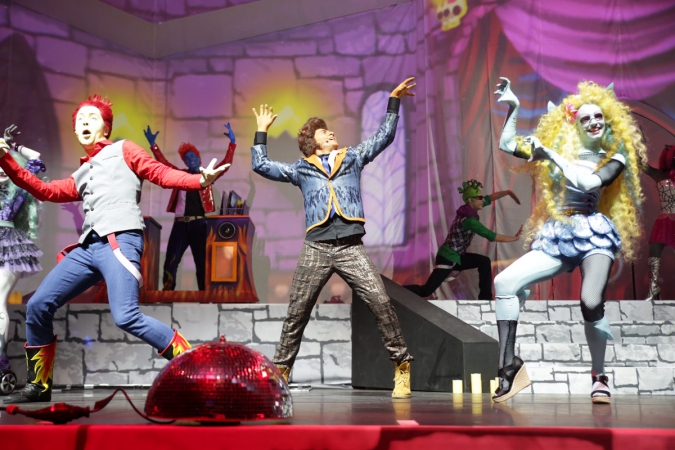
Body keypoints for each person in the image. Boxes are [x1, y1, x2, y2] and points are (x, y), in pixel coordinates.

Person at [0, 95, 228, 403]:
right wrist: (5, 160)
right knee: (38, 305)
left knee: (126, 316)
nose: (84, 122)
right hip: (87, 248)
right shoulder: (83, 172)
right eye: (80, 120)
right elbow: (46, 190)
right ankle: (39, 386)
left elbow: (159, 173)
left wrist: (199, 180)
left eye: (92, 118)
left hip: (119, 241)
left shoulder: (125, 149)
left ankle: (194, 366)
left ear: (106, 127)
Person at [251, 78, 416, 398]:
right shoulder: (302, 169)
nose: (330, 133)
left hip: (351, 247)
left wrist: (393, 101)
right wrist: (261, 130)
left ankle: (402, 365)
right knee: (297, 310)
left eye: (329, 130)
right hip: (317, 247)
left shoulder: (352, 157)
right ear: (312, 143)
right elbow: (261, 165)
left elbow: (384, 137)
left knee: (380, 301)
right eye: (323, 131)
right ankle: (280, 373)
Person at [492, 77, 646, 404]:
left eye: (598, 116)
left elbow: (588, 183)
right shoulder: (561, 150)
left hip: (594, 236)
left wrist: (550, 154)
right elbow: (507, 145)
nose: (593, 122)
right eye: (585, 118)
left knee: (590, 301)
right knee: (504, 282)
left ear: (608, 120)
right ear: (575, 124)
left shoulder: (614, 156)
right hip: (560, 234)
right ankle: (508, 366)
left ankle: (599, 375)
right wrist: (514, 108)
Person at [143, 124, 236, 291]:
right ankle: (167, 293)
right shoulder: (180, 175)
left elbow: (226, 164)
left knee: (202, 262)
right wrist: (153, 145)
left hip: (199, 224)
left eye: (193, 156)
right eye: (187, 158)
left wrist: (232, 144)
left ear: (199, 159)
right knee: (171, 260)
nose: (190, 159)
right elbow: (164, 165)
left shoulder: (206, 176)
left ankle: (204, 294)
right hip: (180, 224)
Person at [405, 179, 522, 300]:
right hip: (448, 257)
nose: (483, 200)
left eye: (482, 197)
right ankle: (397, 291)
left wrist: (508, 192)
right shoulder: (469, 220)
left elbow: (490, 198)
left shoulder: (468, 209)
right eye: (480, 198)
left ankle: (485, 299)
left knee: (484, 261)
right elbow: (492, 236)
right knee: (426, 290)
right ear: (471, 200)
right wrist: (515, 238)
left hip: (457, 256)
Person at [0, 125, 44, 395]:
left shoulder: (19, 188)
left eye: (5, 163)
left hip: (8, 245)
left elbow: (36, 159)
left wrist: (11, 146)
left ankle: (1, 363)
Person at [642, 144, 675, 301]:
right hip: (665, 219)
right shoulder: (659, 174)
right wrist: (638, 145)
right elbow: (641, 165)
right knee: (654, 251)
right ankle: (653, 287)